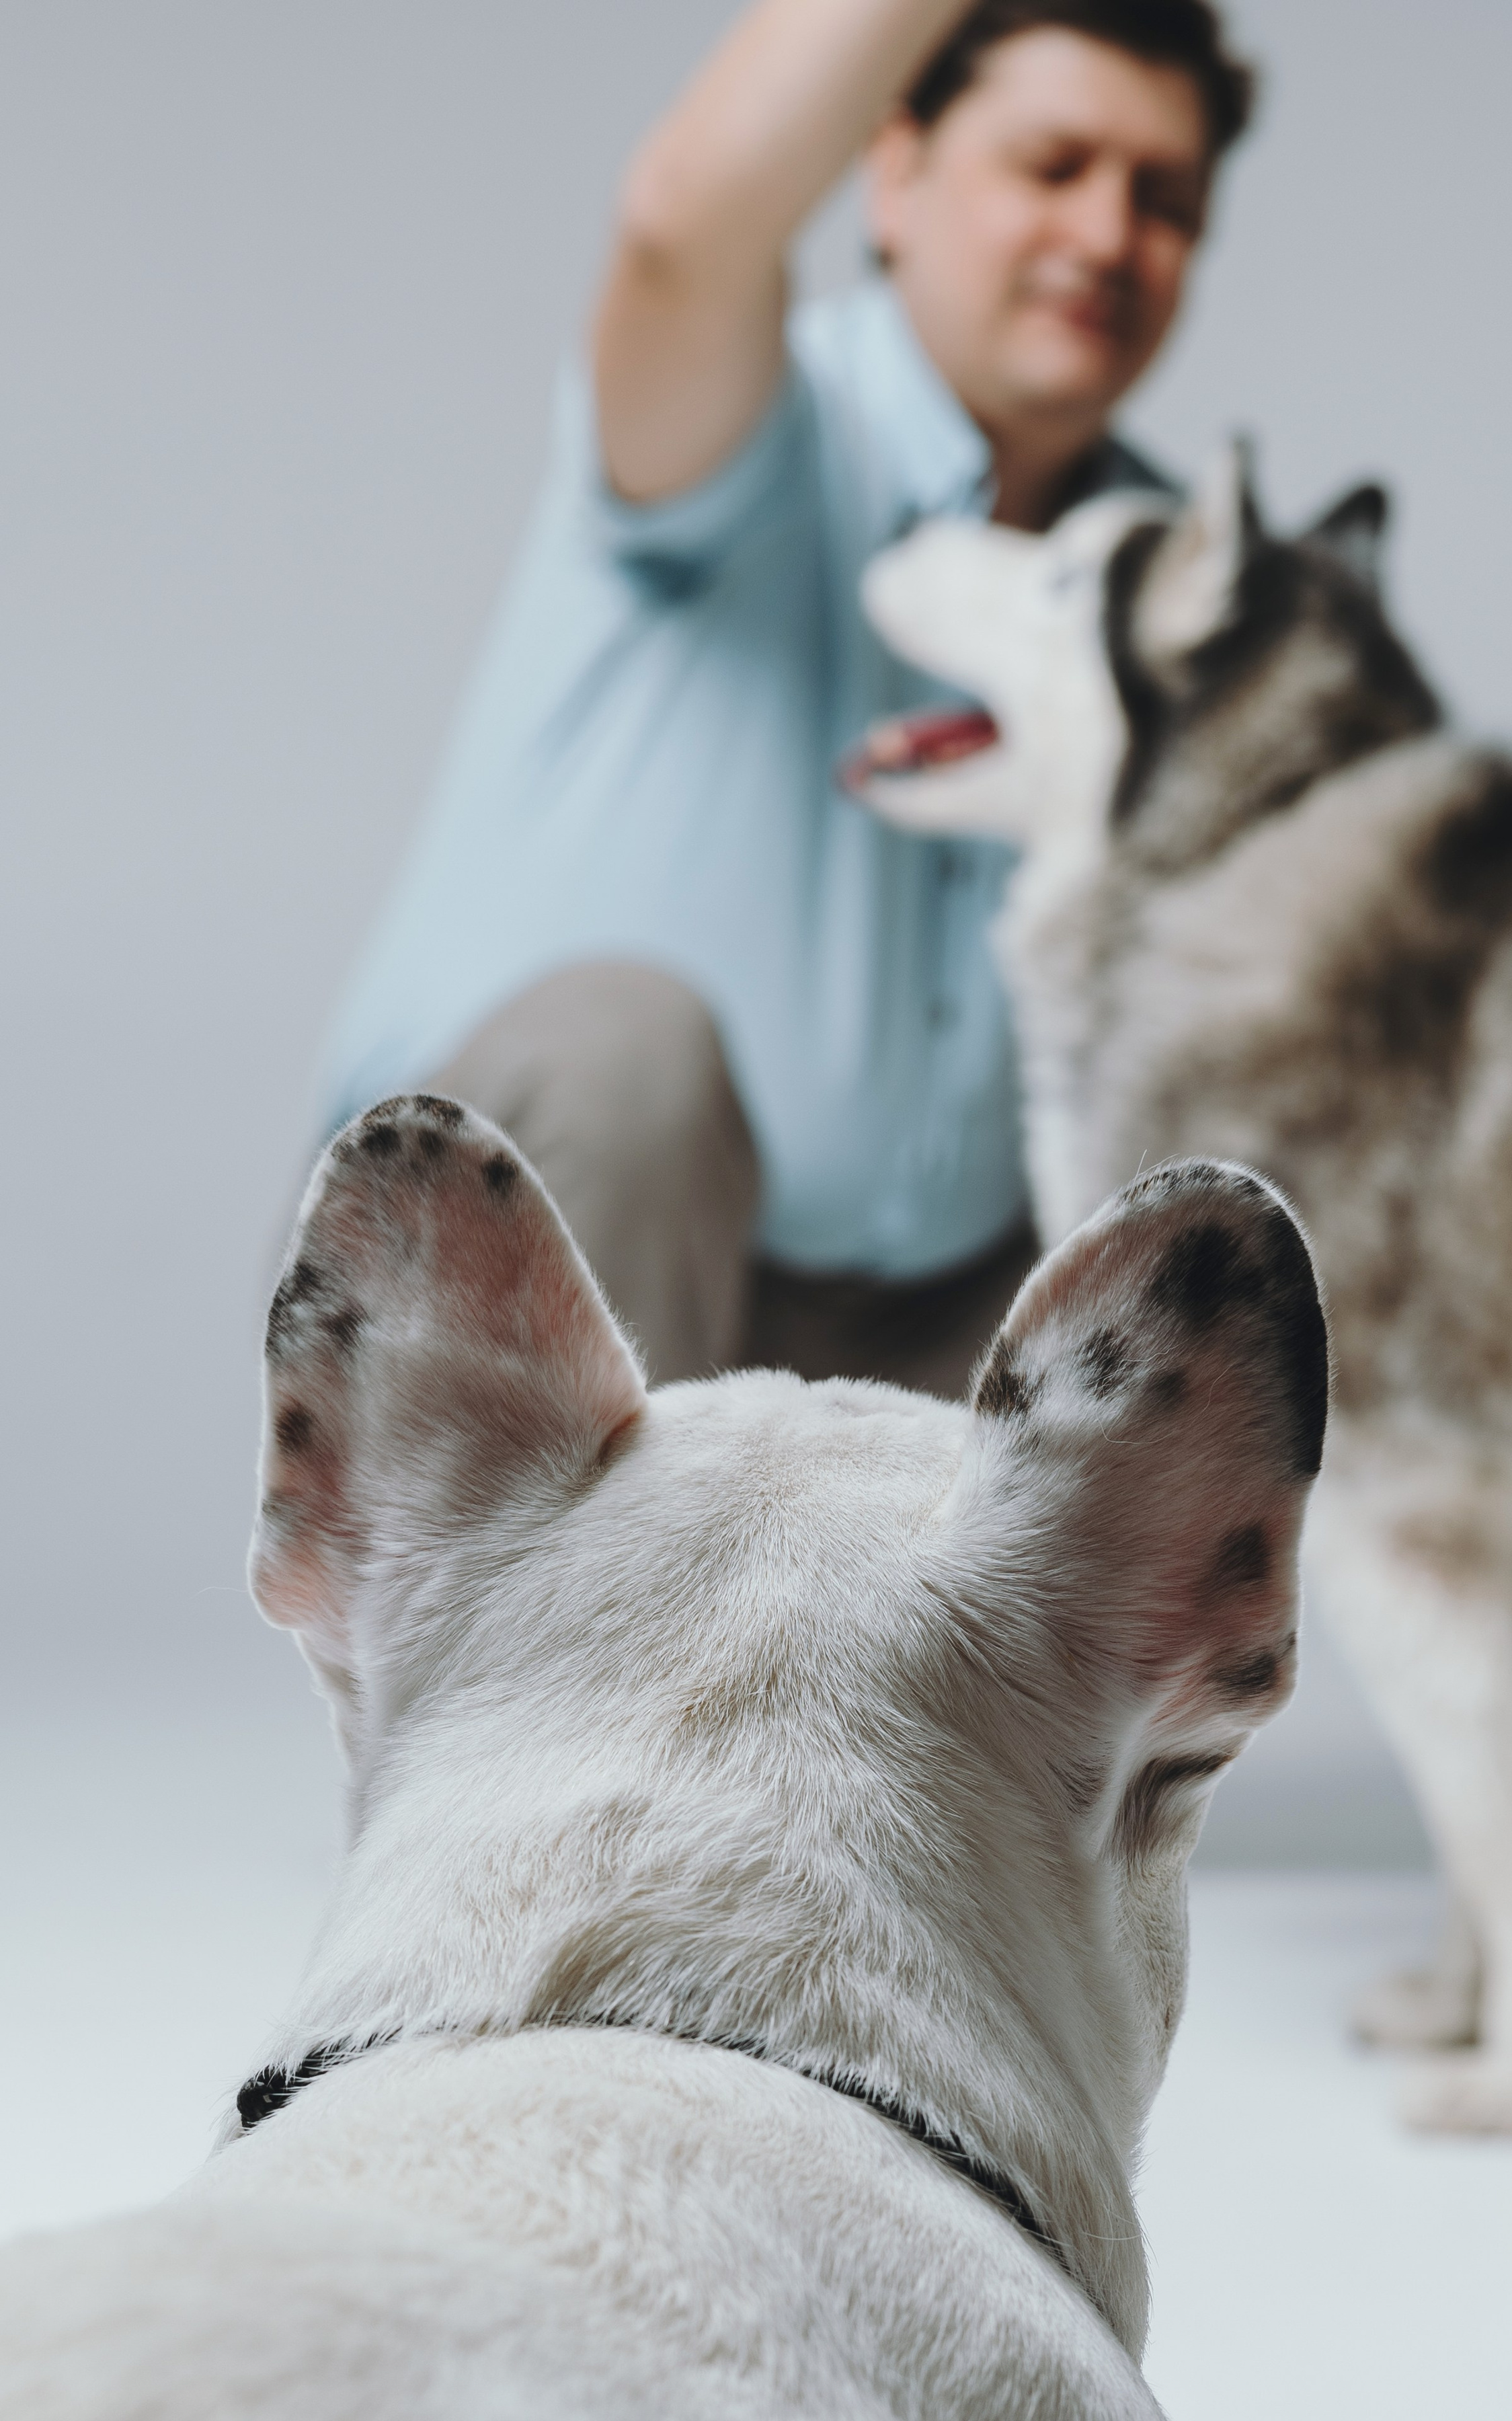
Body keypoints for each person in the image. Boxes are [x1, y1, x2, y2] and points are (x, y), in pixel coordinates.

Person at [319, 0, 1255, 1389]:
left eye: (1163, 200)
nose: (1108, 235)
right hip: (519, 1291)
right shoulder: (750, 425)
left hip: (921, 1348)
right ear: (895, 174)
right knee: (622, 1059)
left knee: (1257, 1138)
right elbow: (679, 227)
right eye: (1052, 166)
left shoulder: (1185, 584)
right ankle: (560, 1549)